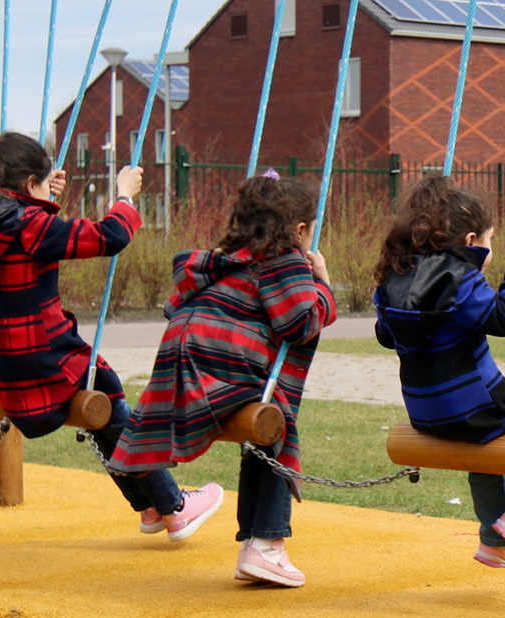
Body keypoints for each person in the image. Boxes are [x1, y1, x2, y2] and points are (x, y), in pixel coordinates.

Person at [0, 132, 222, 538]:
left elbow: (31, 225)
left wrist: (41, 196)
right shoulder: (29, 225)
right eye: (42, 186)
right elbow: (110, 236)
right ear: (28, 187)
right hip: (42, 356)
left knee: (104, 399)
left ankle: (149, 505)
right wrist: (125, 196)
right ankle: (175, 506)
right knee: (110, 395)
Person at [108, 170, 336, 588]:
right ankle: (265, 545)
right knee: (275, 422)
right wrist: (322, 284)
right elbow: (300, 321)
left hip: (181, 374)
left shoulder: (226, 259)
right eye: (311, 234)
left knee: (265, 422)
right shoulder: (283, 259)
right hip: (213, 374)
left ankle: (255, 543)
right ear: (300, 230)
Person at [372, 175, 505, 571]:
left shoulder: (393, 275)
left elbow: (385, 335)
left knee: (484, 452)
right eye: (489, 240)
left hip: (422, 411)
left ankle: (496, 540)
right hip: (472, 404)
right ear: (472, 240)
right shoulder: (462, 278)